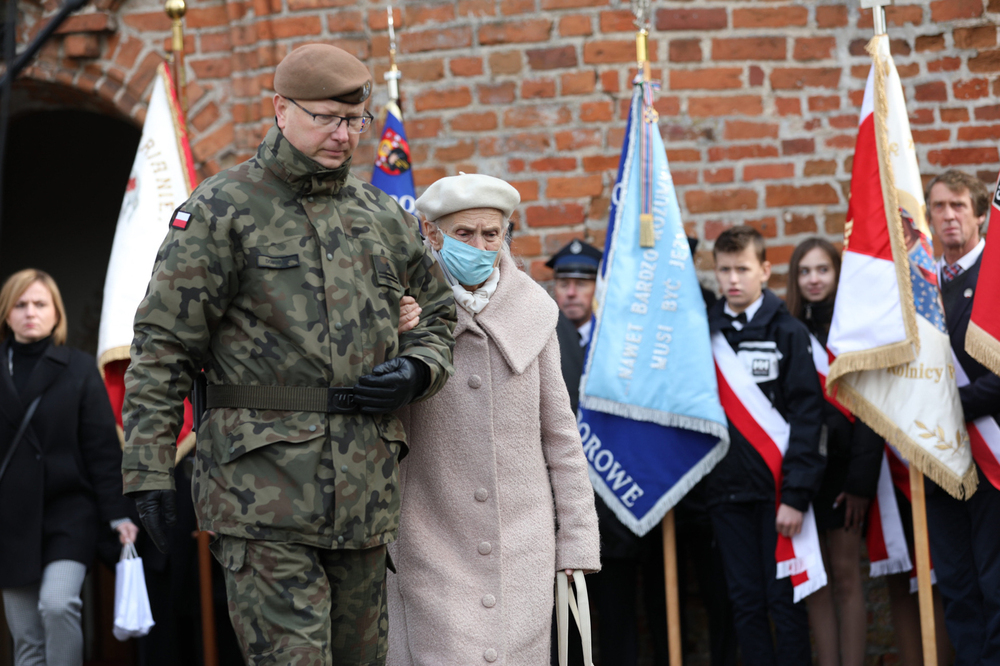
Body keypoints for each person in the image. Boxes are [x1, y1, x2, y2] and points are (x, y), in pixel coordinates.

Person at [121, 44, 457, 666]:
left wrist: (416, 370)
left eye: (354, 121)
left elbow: (437, 315)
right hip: (262, 496)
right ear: (280, 108)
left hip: (364, 497)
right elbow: (163, 348)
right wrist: (147, 467)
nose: (343, 134)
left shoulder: (382, 217)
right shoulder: (223, 210)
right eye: (327, 118)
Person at [385, 173, 600, 665]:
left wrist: (578, 542)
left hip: (522, 547)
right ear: (431, 232)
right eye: (464, 234)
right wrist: (388, 336)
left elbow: (561, 437)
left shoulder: (534, 310)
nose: (480, 245)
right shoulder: (401, 307)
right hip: (428, 542)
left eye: (491, 233)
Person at [0, 268, 137, 666]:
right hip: (11, 521)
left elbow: (102, 450)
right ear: (6, 313)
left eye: (40, 304)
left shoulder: (78, 368)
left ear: (56, 313)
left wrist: (118, 514)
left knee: (58, 606)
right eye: (20, 305)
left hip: (68, 515)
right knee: (26, 638)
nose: (30, 312)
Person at [706, 226, 825, 666]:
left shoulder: (788, 331)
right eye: (724, 270)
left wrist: (796, 494)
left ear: (765, 271)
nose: (732, 279)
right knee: (745, 605)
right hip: (725, 493)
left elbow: (808, 417)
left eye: (742, 269)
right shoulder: (705, 334)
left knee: (784, 604)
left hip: (779, 496)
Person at [786, 238, 883, 666]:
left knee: (845, 577)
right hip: (804, 474)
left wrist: (861, 484)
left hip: (847, 476)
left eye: (822, 270)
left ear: (838, 275)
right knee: (815, 582)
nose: (813, 279)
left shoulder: (854, 332)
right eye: (805, 271)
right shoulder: (787, 329)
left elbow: (871, 413)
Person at [925, 169, 1000, 665]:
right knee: (955, 582)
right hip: (937, 457)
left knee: (996, 582)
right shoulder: (921, 287)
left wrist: (950, 408)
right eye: (938, 207)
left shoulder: (995, 277)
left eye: (958, 205)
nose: (948, 215)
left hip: (990, 454)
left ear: (978, 214)